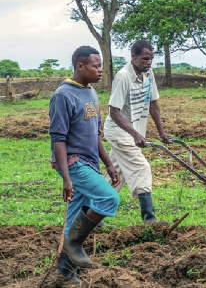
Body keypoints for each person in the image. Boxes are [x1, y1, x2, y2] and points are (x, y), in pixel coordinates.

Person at [49, 46, 120, 284]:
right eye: (95, 66)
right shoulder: (63, 95)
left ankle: (65, 275)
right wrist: (67, 179)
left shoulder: (90, 92)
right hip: (74, 163)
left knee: (74, 217)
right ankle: (75, 243)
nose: (101, 71)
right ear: (80, 66)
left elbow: (95, 134)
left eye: (101, 66)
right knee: (109, 198)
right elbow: (58, 138)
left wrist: (108, 164)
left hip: (90, 162)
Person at [103, 40, 172, 223]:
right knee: (141, 167)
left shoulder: (148, 74)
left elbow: (153, 104)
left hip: (131, 132)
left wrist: (161, 132)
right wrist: (135, 134)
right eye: (144, 59)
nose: (148, 63)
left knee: (118, 172)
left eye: (151, 59)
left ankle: (90, 211)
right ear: (133, 56)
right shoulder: (123, 77)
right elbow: (114, 112)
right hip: (118, 132)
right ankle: (149, 218)